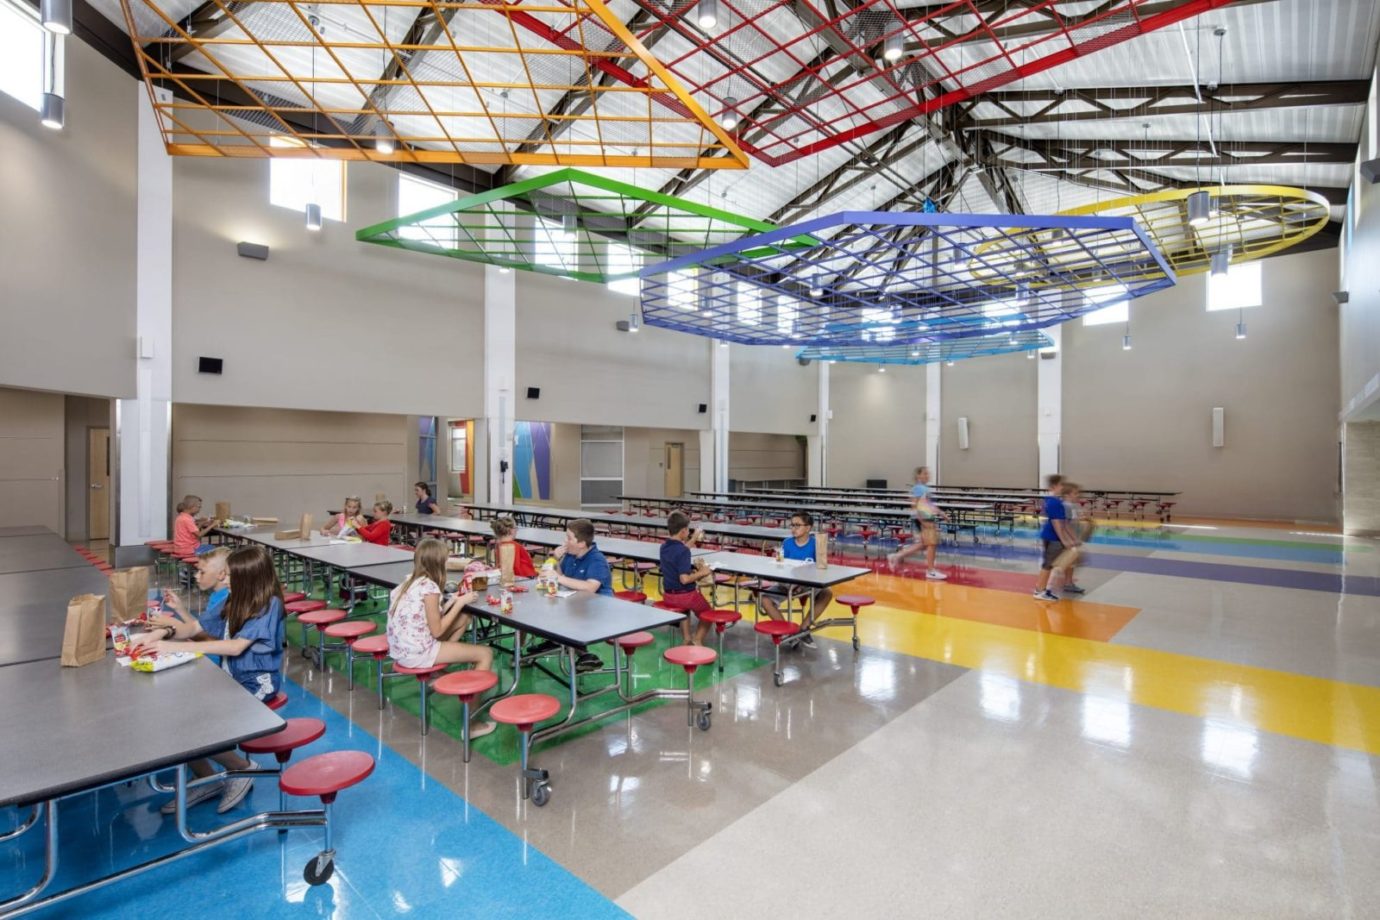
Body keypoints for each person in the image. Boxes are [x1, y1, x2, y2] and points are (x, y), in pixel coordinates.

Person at [135, 545, 285, 814]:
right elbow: (195, 627)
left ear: (248, 577)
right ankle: (205, 777)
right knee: (175, 710)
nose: (225, 580)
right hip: (230, 678)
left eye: (229, 575)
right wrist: (161, 635)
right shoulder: (234, 598)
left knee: (192, 721)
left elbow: (235, 647)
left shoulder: (268, 604)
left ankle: (243, 768)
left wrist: (176, 647)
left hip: (257, 684)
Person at [385, 538, 495, 737]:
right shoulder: (430, 588)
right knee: (485, 654)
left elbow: (427, 616)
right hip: (418, 653)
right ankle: (472, 723)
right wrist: (460, 602)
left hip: (401, 650)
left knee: (463, 619)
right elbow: (436, 630)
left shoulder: (408, 582)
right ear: (438, 563)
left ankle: (438, 672)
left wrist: (451, 602)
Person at [760, 511, 832, 648]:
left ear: (808, 528)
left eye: (797, 525)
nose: (793, 528)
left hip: (808, 584)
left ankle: (803, 629)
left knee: (827, 593)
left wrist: (821, 549)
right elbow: (781, 567)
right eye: (792, 525)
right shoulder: (786, 543)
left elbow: (822, 570)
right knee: (764, 599)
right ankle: (788, 634)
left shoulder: (817, 543)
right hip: (787, 584)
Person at [552, 519, 613, 672]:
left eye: (569, 538)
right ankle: (563, 644)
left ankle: (576, 649)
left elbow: (591, 587)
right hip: (576, 603)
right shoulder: (571, 556)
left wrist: (559, 578)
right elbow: (562, 577)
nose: (565, 542)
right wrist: (556, 560)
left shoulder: (597, 560)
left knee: (563, 617)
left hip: (598, 609)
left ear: (581, 543)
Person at [658, 511, 714, 646]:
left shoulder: (664, 547)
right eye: (688, 530)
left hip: (668, 595)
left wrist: (694, 538)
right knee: (708, 613)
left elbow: (681, 550)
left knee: (685, 609)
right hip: (685, 596)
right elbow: (684, 579)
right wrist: (703, 572)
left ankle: (687, 638)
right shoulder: (683, 551)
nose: (689, 532)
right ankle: (698, 639)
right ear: (683, 531)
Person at [886, 467, 948, 580]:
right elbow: (915, 505)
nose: (927, 475)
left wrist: (941, 513)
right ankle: (930, 571)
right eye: (925, 473)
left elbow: (929, 504)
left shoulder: (924, 488)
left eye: (928, 473)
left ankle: (896, 556)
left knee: (923, 544)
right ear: (918, 476)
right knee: (931, 543)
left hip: (927, 517)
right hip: (924, 519)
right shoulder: (919, 488)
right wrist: (921, 520)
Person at [1033, 474, 1077, 601]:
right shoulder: (1054, 502)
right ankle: (1039, 590)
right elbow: (1057, 523)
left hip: (1051, 536)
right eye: (1061, 484)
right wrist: (1064, 540)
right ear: (1054, 486)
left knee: (1049, 564)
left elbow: (1063, 522)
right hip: (1053, 537)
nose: (1063, 487)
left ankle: (1042, 589)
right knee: (1048, 564)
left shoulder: (1050, 500)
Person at [1055, 482, 1088, 595]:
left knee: (1072, 562)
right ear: (1067, 495)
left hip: (1074, 537)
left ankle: (1068, 582)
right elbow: (1064, 524)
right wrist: (1070, 539)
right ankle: (1065, 582)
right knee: (1069, 561)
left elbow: (1074, 519)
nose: (1078, 495)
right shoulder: (1066, 506)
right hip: (1069, 539)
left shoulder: (1074, 505)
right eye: (1075, 493)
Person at [492, 517, 537, 582]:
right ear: (512, 530)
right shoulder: (515, 546)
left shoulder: (498, 545)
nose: (517, 530)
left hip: (511, 576)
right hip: (523, 577)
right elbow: (516, 567)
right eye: (516, 528)